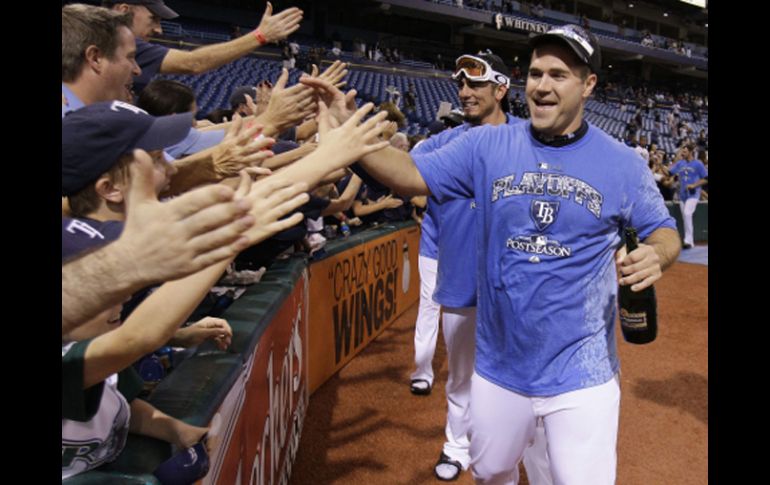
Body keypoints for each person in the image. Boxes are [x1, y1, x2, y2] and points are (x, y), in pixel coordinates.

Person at [301, 24, 680, 485]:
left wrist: (657, 256)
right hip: (500, 367)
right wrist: (350, 129)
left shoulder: (622, 163)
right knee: (492, 474)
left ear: (589, 85)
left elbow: (663, 230)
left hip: (584, 373)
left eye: (559, 75)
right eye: (536, 73)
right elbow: (407, 175)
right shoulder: (485, 146)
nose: (542, 85)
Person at [103, 1, 303, 93]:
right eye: (153, 19)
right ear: (124, 11)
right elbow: (193, 63)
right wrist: (260, 36)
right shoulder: (116, 42)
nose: (159, 30)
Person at [668, 144, 707, 249]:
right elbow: (669, 172)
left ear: (690, 152)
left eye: (685, 151)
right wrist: (676, 158)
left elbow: (706, 179)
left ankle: (688, 241)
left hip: (694, 194)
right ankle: (688, 241)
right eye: (682, 151)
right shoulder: (680, 163)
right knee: (686, 217)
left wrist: (694, 185)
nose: (683, 153)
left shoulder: (698, 164)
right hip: (682, 195)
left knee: (687, 213)